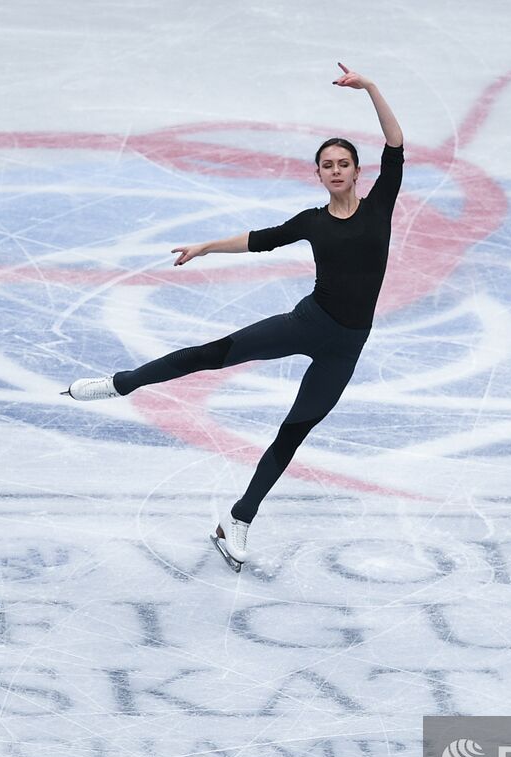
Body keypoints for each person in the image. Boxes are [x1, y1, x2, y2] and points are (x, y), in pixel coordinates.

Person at [64, 63, 404, 570]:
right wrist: (205, 247)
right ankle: (123, 383)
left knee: (292, 434)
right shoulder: (311, 222)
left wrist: (372, 88)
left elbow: (395, 144)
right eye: (326, 165)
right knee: (212, 355)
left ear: (358, 171)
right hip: (308, 323)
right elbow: (258, 240)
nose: (335, 170)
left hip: (347, 346)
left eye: (343, 163)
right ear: (318, 175)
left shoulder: (380, 206)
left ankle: (238, 520)